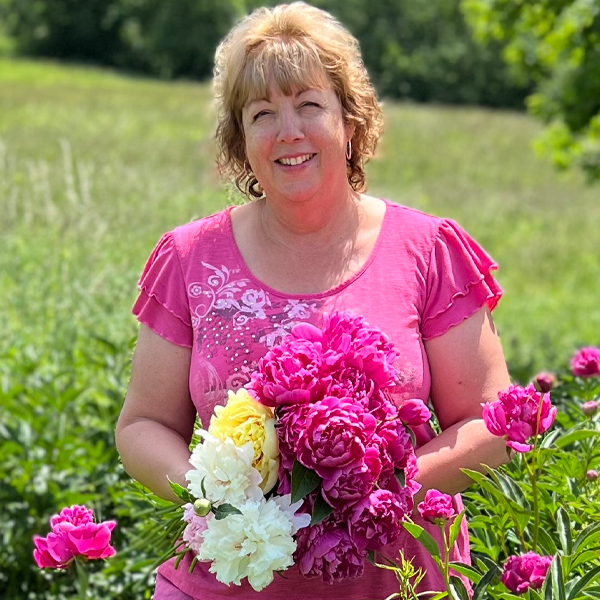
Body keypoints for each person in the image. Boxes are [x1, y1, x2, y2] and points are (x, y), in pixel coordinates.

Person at [115, 3, 511, 599]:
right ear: (240, 141)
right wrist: (214, 500)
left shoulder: (428, 251)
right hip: (224, 584)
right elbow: (143, 424)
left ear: (350, 123)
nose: (288, 131)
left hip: (401, 585)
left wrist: (371, 491)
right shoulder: (189, 258)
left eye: (309, 105)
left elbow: (493, 422)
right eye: (262, 114)